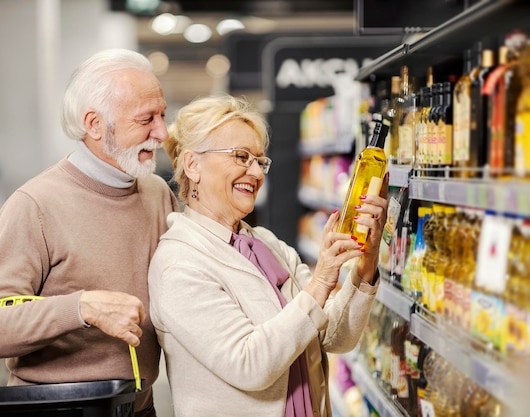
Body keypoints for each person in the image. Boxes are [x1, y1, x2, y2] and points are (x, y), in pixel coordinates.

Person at [0, 49, 178, 417]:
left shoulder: (157, 193)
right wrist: (80, 308)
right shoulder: (34, 205)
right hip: (55, 411)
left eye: (162, 115)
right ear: (94, 125)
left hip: (139, 408)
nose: (161, 132)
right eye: (146, 119)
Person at [148, 94, 387, 417]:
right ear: (193, 164)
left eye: (260, 161)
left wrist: (366, 263)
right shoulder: (179, 262)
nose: (257, 173)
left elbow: (335, 336)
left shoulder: (266, 244)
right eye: (241, 157)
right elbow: (250, 364)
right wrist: (320, 282)